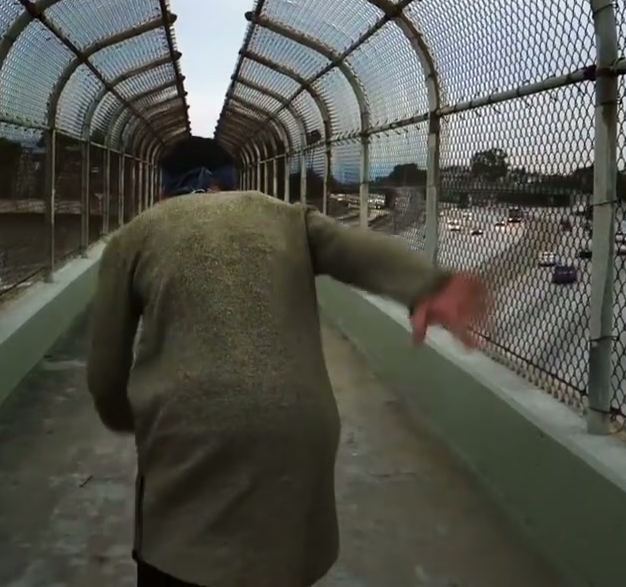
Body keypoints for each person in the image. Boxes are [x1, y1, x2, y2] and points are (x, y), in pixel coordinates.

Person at [87, 137, 488, 587]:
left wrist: (129, 418)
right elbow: (355, 251)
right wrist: (429, 284)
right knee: (283, 553)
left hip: (188, 432)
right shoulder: (286, 217)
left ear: (162, 191)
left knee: (181, 550)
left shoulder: (135, 236)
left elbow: (104, 376)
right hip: (298, 428)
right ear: (232, 183)